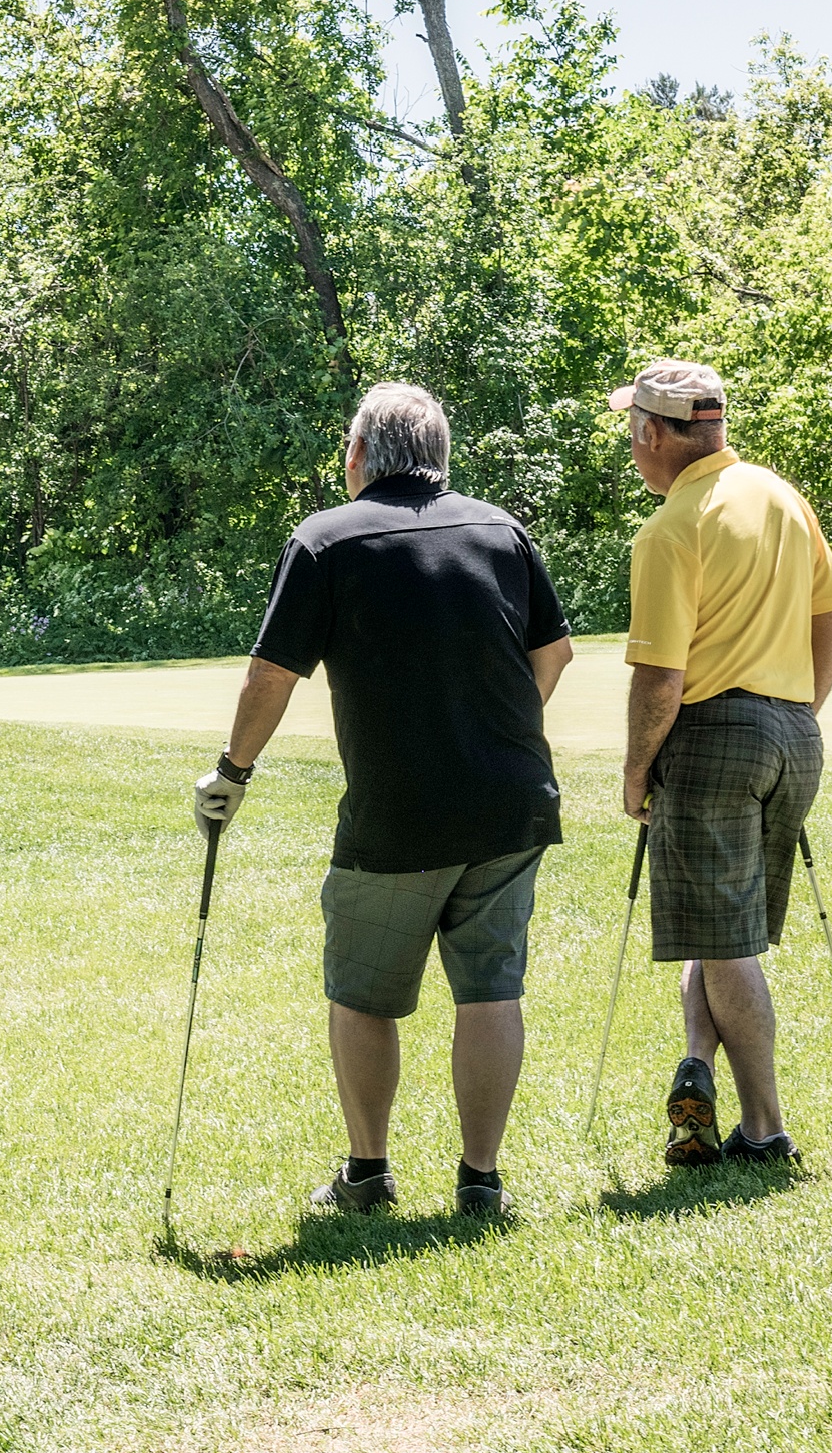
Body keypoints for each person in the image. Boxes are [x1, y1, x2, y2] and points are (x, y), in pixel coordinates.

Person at [193, 383, 576, 1218]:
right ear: (437, 453)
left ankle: (368, 1173)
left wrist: (233, 772)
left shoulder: (326, 539)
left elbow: (272, 675)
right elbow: (554, 654)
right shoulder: (500, 529)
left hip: (397, 816)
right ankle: (481, 1181)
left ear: (361, 453)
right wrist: (494, 729)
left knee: (362, 994)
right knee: (490, 990)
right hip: (511, 804)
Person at [613, 359, 832, 1167]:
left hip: (713, 735)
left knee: (726, 944)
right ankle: (697, 1069)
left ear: (652, 432)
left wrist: (634, 770)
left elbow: (661, 677)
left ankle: (764, 1129)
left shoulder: (671, 529)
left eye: (631, 433)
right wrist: (795, 712)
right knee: (721, 930)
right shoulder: (779, 494)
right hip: (792, 735)